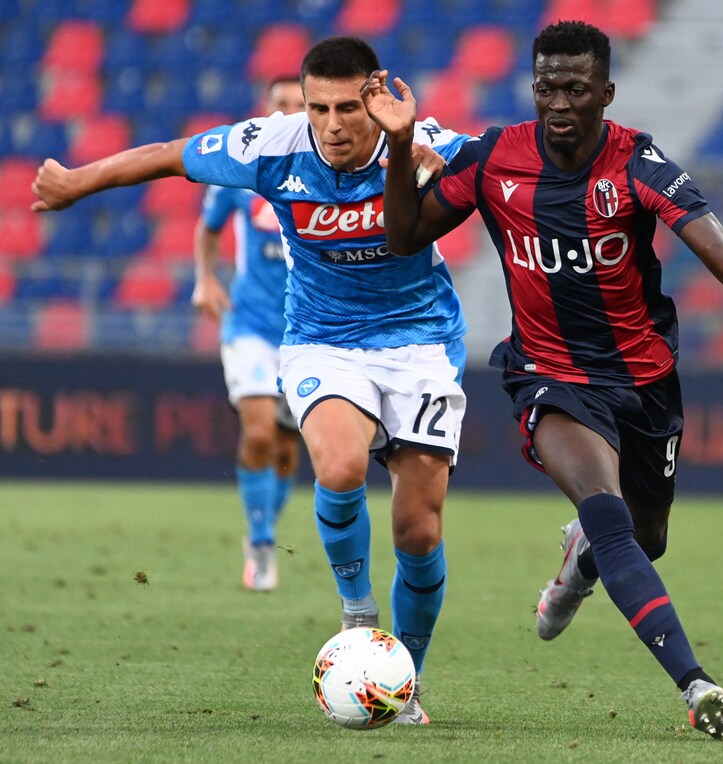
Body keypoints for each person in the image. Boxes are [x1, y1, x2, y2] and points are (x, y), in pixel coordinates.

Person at [367, 20, 723, 741]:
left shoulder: (640, 165)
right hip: (550, 375)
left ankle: (581, 563)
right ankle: (697, 685)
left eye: (575, 89)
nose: (558, 103)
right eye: (546, 88)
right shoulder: (494, 158)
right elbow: (403, 235)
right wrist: (397, 144)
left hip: (643, 380)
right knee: (607, 513)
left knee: (644, 536)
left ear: (605, 91)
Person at [31, 36, 471, 725]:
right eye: (319, 108)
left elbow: (513, 170)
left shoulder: (426, 140)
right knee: (340, 465)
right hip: (322, 339)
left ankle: (404, 678)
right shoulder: (272, 143)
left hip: (421, 343)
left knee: (417, 530)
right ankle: (358, 617)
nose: (331, 125)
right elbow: (170, 155)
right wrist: (75, 182)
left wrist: (452, 169)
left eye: (348, 108)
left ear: (376, 94)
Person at [191, 76, 306, 592]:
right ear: (266, 109)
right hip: (250, 323)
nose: (289, 110)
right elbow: (209, 227)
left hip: (306, 331)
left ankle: (265, 527)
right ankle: (260, 543)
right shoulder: (240, 170)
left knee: (285, 448)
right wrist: (205, 278)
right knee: (259, 433)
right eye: (281, 103)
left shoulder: (330, 168)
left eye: (299, 103)